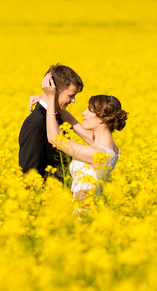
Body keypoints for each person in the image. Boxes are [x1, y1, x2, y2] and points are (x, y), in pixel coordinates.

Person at [39, 72, 128, 201]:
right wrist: (45, 100)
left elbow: (54, 139)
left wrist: (51, 98)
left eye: (89, 110)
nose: (83, 113)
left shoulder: (97, 154)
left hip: (83, 210)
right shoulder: (110, 147)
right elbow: (73, 122)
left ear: (101, 119)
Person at [18, 64, 83, 181]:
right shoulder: (34, 124)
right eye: (71, 96)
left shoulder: (61, 117)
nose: (73, 101)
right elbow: (29, 174)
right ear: (54, 91)